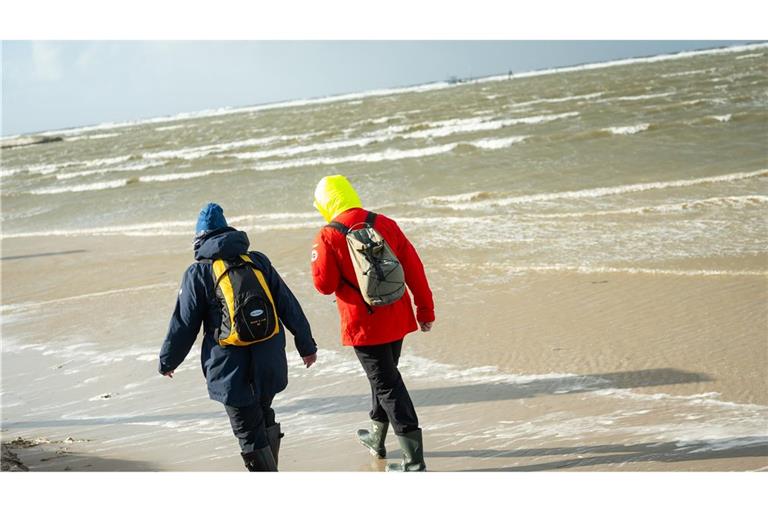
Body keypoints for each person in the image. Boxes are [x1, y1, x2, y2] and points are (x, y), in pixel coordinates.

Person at [159, 202, 318, 471]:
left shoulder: (198, 273)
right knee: (264, 414)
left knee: (247, 432)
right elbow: (288, 304)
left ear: (199, 237)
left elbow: (184, 324)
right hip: (269, 362)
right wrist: (306, 345)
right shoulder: (257, 260)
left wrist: (168, 361)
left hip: (230, 370)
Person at [310, 175, 434, 472]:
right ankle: (376, 439)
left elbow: (324, 285)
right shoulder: (385, 223)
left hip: (364, 325)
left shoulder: (327, 235)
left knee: (387, 384)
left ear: (325, 203)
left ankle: (414, 462)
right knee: (383, 377)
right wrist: (425, 310)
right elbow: (414, 266)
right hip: (397, 314)